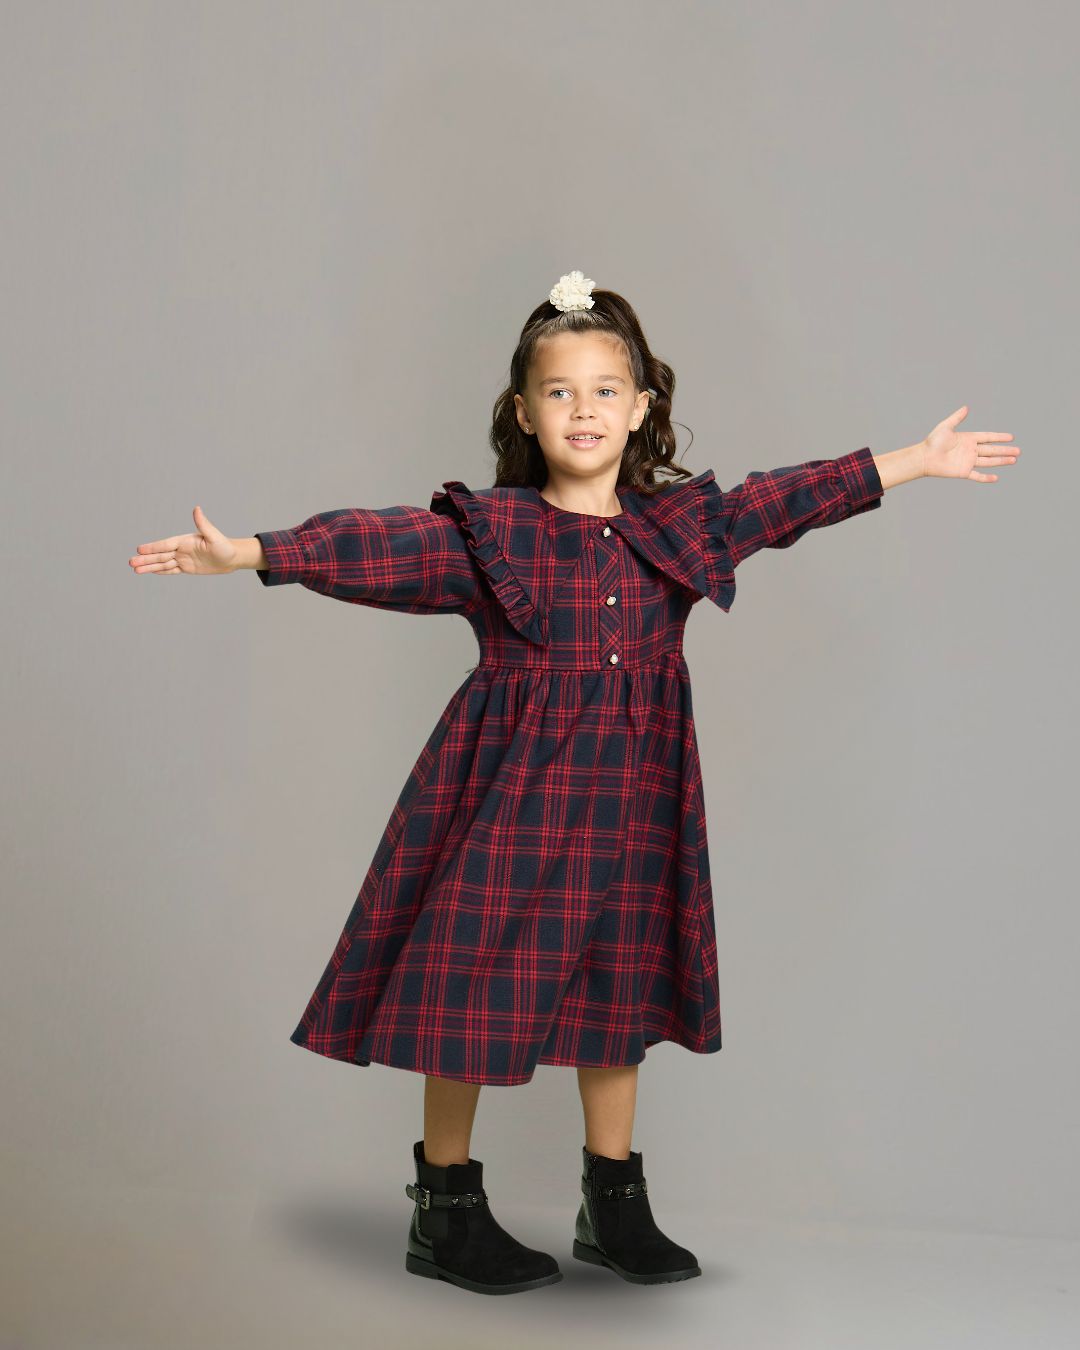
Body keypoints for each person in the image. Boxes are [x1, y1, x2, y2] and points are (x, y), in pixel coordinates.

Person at [129, 269, 1020, 1296]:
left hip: (635, 799)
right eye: (560, 391)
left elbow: (782, 500)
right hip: (511, 795)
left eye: (606, 390)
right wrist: (254, 552)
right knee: (468, 984)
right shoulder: (492, 535)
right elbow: (385, 544)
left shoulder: (679, 528)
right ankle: (445, 1210)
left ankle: (614, 1204)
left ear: (641, 407)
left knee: (621, 978)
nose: (584, 409)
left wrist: (914, 460)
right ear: (523, 411)